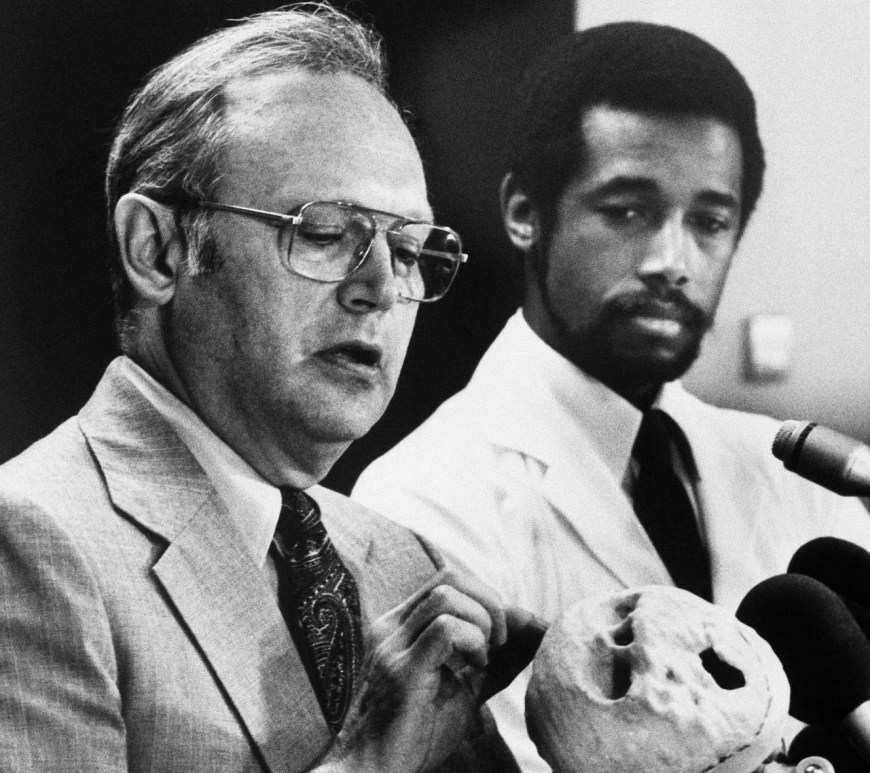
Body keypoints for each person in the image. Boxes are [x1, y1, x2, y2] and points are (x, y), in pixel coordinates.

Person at [0, 5, 541, 772]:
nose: (380, 288)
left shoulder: (410, 565)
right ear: (156, 251)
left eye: (408, 248)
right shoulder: (31, 542)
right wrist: (365, 763)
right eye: (323, 233)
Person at [352, 21, 870, 771]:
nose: (671, 261)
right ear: (524, 213)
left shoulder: (794, 473)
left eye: (709, 221)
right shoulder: (420, 501)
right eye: (628, 211)